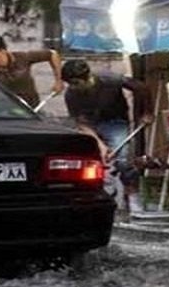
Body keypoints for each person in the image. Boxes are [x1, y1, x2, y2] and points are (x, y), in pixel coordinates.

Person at [61, 58, 153, 212]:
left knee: (123, 160)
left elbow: (141, 88)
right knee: (91, 162)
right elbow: (81, 123)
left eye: (75, 83)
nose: (72, 87)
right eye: (70, 84)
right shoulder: (71, 95)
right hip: (91, 125)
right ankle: (100, 197)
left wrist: (148, 112)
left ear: (87, 78)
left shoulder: (110, 79)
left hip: (115, 121)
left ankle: (133, 196)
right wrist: (100, 144)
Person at [0, 34, 63, 108]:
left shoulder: (22, 58)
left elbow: (52, 54)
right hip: (4, 113)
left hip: (32, 110)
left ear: (2, 52)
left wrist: (58, 81)